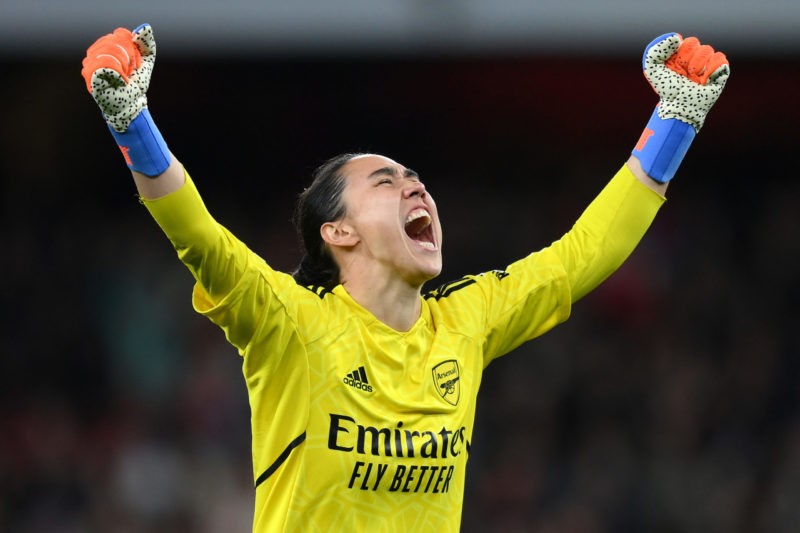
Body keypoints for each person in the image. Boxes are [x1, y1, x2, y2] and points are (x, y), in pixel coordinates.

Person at [81, 24, 729, 532]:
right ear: (339, 231)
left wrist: (676, 118)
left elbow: (580, 256)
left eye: (417, 179)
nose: (415, 186)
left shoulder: (465, 321)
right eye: (385, 181)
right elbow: (199, 236)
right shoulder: (292, 324)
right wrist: (131, 121)